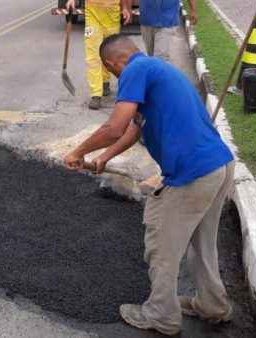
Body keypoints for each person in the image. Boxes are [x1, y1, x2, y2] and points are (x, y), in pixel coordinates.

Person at [63, 34, 234, 336]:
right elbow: (132, 129)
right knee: (201, 244)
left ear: (113, 63)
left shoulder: (134, 71)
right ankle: (212, 305)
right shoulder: (157, 70)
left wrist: (79, 151)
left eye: (112, 72)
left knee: (162, 247)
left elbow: (114, 126)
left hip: (191, 174)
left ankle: (161, 316)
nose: (116, 78)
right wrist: (103, 158)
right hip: (219, 165)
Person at [66, 0, 131, 110]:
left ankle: (105, 82)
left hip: (112, 21)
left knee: (111, 56)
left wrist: (125, 8)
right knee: (93, 57)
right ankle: (96, 94)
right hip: (93, 20)